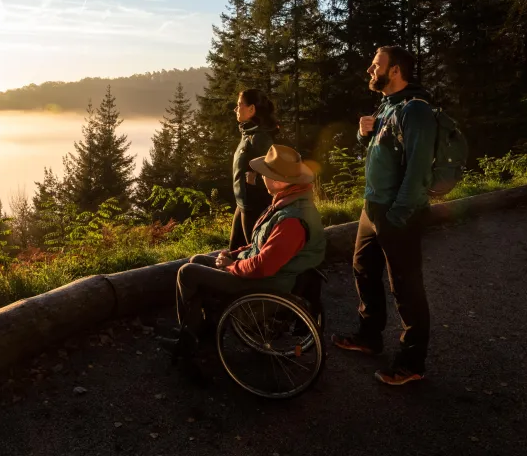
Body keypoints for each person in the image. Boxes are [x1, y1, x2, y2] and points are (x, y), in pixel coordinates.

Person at [162, 144, 326, 370]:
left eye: (265, 174)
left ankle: (193, 344)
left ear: (277, 181)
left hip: (263, 283)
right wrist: (234, 253)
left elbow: (263, 267)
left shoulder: (292, 220)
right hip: (265, 274)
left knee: (187, 273)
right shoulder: (290, 202)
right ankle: (196, 334)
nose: (261, 177)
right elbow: (263, 245)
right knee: (199, 260)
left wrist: (231, 265)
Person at [332, 45, 436, 386]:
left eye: (376, 64)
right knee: (364, 270)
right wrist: (363, 135)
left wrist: (398, 215)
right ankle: (369, 337)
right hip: (371, 208)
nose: (369, 69)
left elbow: (418, 171)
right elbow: (383, 153)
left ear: (394, 71)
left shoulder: (416, 110)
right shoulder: (387, 104)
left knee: (406, 288)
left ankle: (411, 363)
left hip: (397, 214)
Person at [230, 89, 280, 252]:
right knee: (235, 251)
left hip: (254, 205)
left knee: (254, 253)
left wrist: (255, 180)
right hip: (243, 203)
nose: (236, 109)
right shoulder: (248, 133)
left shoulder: (260, 137)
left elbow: (276, 170)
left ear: (251, 109)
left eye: (239, 105)